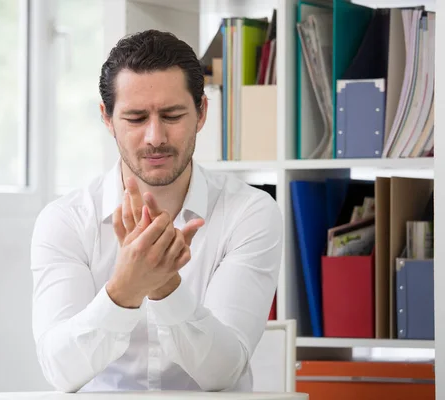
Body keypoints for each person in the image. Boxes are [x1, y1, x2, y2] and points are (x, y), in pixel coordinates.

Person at [30, 29, 283, 393]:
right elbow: (61, 372)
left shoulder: (250, 212)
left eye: (172, 115)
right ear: (107, 118)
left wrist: (165, 286)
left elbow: (222, 373)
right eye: (135, 118)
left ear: (201, 112)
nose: (155, 137)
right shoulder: (65, 220)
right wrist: (123, 291)